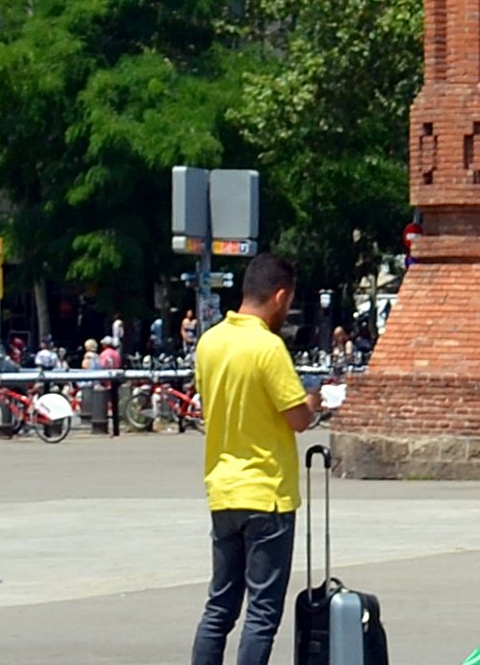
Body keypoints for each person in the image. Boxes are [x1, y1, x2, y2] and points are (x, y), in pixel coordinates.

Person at [189, 255, 316, 665]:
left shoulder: (209, 342)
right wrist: (313, 401)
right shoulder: (268, 346)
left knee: (219, 607)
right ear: (280, 296)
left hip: (223, 489)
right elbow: (297, 418)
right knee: (262, 613)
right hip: (267, 494)